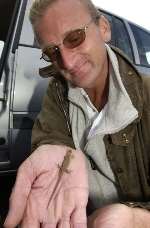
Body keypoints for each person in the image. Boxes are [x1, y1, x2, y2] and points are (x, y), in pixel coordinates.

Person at [4, 0, 150, 227]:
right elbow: (51, 134)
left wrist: (137, 219)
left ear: (103, 28)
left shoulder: (147, 97)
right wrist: (53, 146)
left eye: (74, 38)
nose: (67, 62)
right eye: (52, 51)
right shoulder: (58, 91)